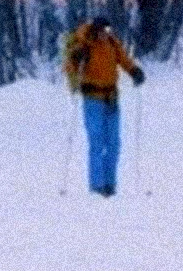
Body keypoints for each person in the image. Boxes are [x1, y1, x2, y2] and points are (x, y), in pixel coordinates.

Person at [60, 16, 145, 197]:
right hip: (92, 100)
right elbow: (69, 67)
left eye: (108, 30)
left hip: (112, 99)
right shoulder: (84, 45)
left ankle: (110, 184)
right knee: (96, 142)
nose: (106, 34)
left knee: (114, 144)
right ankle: (97, 186)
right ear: (95, 30)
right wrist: (76, 59)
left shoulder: (112, 43)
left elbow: (124, 59)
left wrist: (134, 71)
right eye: (102, 30)